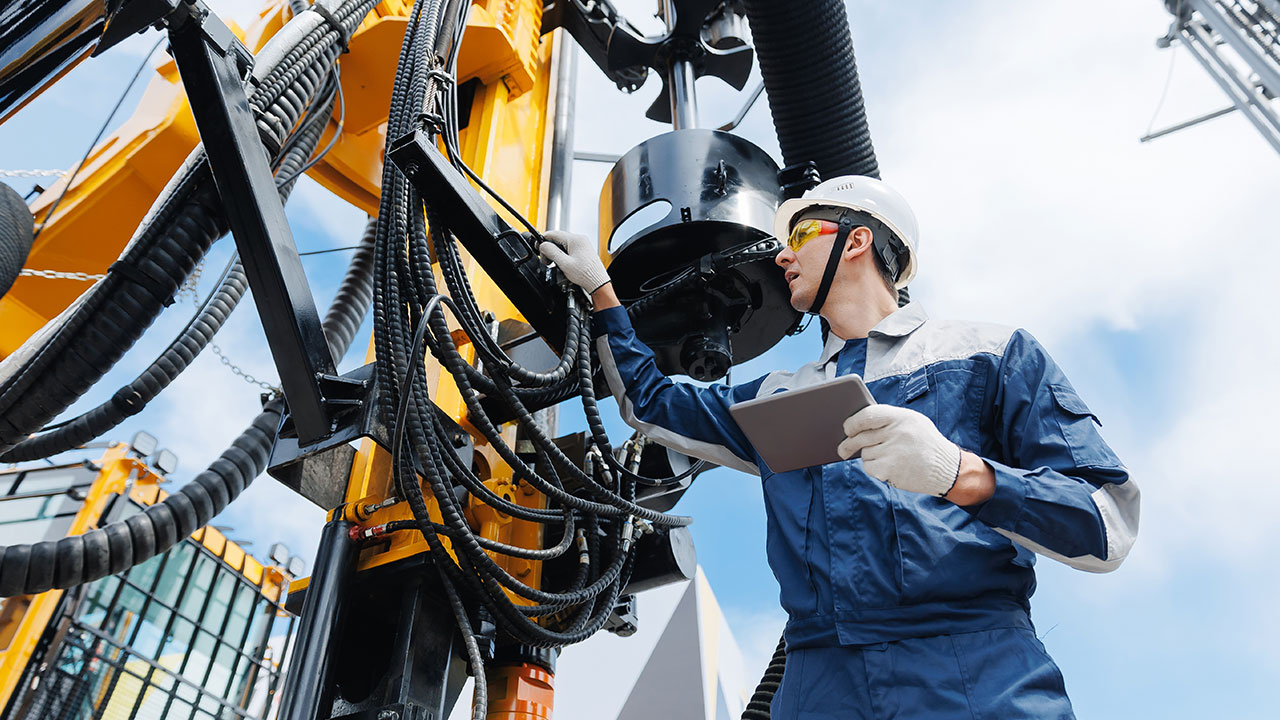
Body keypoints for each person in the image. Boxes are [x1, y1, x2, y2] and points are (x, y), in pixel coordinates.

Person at [539, 175, 1139, 719]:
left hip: (970, 673)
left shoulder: (990, 355)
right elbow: (651, 404)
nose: (780, 254)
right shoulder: (779, 395)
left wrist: (959, 473)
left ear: (856, 242)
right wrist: (601, 290)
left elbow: (1104, 524)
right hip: (817, 683)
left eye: (800, 233)